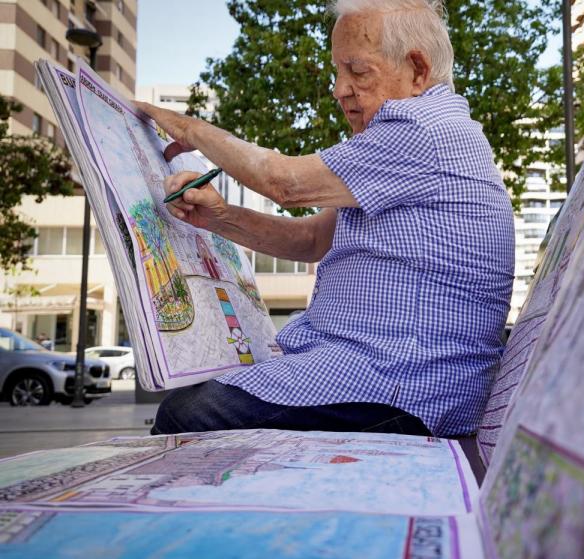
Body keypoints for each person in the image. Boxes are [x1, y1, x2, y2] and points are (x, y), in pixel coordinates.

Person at [137, 0, 514, 438]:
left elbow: (285, 184)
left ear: (417, 71)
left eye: (357, 71)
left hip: (406, 378)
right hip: (394, 368)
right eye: (337, 70)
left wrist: (190, 129)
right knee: (202, 401)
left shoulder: (421, 128)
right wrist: (220, 218)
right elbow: (312, 239)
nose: (339, 88)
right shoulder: (415, 138)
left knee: (189, 414)